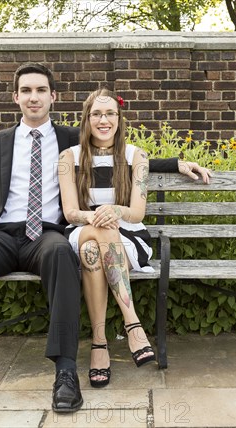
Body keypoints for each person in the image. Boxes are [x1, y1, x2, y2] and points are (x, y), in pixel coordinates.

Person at [0, 63, 211, 417]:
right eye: (26, 91)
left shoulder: (71, 139)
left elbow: (115, 150)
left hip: (49, 233)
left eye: (41, 90)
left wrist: (174, 162)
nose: (33, 97)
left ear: (53, 97)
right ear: (16, 97)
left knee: (63, 256)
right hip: (3, 233)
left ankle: (66, 370)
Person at [59, 88, 156, 388]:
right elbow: (70, 212)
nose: (104, 120)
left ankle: (99, 343)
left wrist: (112, 210)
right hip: (82, 227)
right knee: (97, 233)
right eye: (97, 114)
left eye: (110, 113)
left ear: (119, 118)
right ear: (86, 119)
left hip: (127, 235)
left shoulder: (136, 156)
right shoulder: (68, 158)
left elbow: (137, 213)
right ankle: (132, 323)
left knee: (92, 252)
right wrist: (94, 216)